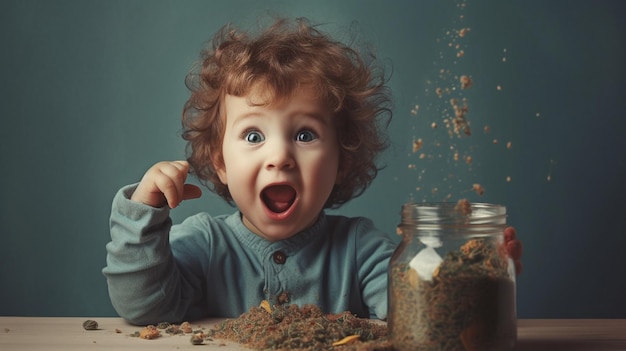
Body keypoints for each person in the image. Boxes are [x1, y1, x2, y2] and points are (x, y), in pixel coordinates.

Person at [103, 17, 522, 326]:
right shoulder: (206, 244)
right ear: (220, 163)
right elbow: (144, 307)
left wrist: (480, 275)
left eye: (305, 135)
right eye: (253, 136)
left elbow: (420, 312)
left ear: (341, 161)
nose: (280, 156)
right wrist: (144, 213)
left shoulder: (359, 250)